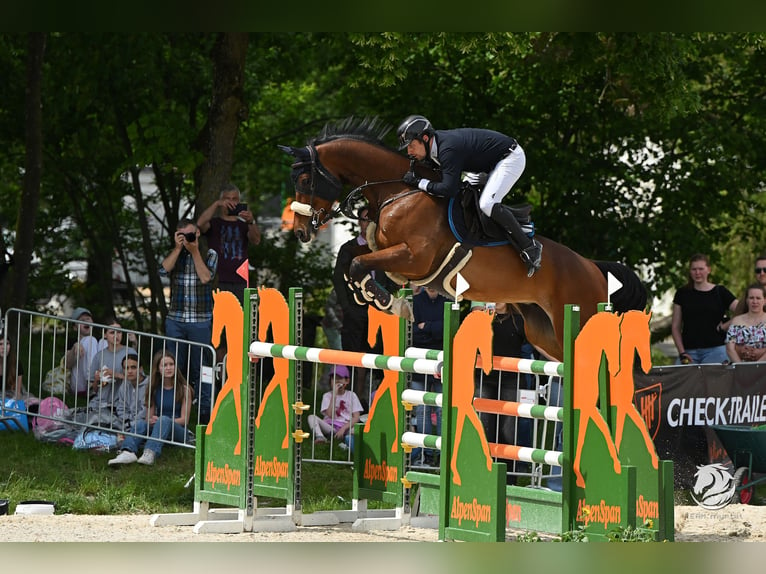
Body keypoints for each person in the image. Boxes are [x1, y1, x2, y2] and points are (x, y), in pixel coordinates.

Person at [396, 114, 542, 277]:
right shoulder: (435, 149)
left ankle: (530, 247)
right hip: (486, 165)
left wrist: (418, 182)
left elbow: (448, 189)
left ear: (424, 137)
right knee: (467, 196)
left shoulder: (447, 148)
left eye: (411, 145)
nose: (409, 151)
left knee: (487, 203)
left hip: (510, 158)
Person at [332, 206, 398, 402]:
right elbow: (338, 280)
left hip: (381, 313)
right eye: (363, 220)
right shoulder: (348, 249)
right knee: (354, 359)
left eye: (371, 220)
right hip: (355, 312)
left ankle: (376, 403)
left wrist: (389, 300)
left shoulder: (383, 249)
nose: (367, 223)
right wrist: (348, 308)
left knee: (379, 360)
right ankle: (352, 403)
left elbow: (392, 277)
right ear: (358, 223)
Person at [160, 218, 218, 424]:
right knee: (172, 367)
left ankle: (205, 414)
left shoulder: (209, 254)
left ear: (198, 234)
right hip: (175, 320)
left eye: (191, 234)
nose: (188, 239)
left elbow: (205, 277)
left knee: (202, 368)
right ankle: (172, 412)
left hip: (201, 321)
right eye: (183, 235)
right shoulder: (175, 254)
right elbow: (162, 270)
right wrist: (177, 249)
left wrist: (194, 251)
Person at [108, 351, 193, 466]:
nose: (169, 368)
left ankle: (150, 452)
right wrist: (153, 420)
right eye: (165, 365)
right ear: (158, 369)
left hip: (178, 431)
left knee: (164, 419)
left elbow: (184, 420)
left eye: (171, 364)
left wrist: (161, 420)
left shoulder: (184, 389)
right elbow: (148, 417)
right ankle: (128, 451)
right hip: (159, 426)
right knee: (140, 424)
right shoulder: (153, 388)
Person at [197, 183, 261, 305]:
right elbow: (199, 224)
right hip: (217, 280)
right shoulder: (214, 223)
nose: (231, 202)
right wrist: (216, 204)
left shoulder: (244, 225)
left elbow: (256, 240)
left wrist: (251, 221)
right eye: (227, 199)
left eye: (235, 199)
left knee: (239, 319)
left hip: (240, 280)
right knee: (218, 319)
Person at [671, 253, 738, 365]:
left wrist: (725, 326)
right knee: (683, 381)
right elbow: (675, 327)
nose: (697, 273)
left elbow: (743, 311)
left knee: (715, 382)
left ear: (709, 270)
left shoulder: (720, 292)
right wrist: (682, 352)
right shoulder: (682, 294)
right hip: (689, 352)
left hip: (717, 350)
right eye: (694, 269)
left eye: (701, 269)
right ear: (690, 271)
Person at [409, 286, 449, 466]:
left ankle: (441, 454)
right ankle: (425, 454)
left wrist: (427, 327)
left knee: (442, 409)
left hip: (443, 361)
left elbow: (449, 330)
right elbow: (414, 333)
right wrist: (436, 331)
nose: (431, 286)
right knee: (422, 409)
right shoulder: (415, 302)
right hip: (420, 361)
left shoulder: (448, 301)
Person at [307, 364, 363, 450]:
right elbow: (330, 415)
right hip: (331, 426)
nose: (337, 381)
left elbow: (356, 417)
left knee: (359, 429)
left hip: (346, 426)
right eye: (334, 379)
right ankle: (320, 436)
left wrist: (344, 428)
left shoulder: (352, 395)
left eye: (340, 378)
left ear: (347, 381)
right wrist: (334, 395)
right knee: (311, 417)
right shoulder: (327, 396)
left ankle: (347, 441)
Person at [64, 307, 103, 397]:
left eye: (88, 319)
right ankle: (92, 384)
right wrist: (75, 347)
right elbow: (67, 364)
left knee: (103, 342)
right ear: (75, 327)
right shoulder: (72, 342)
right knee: (90, 340)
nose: (86, 321)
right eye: (82, 320)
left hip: (99, 382)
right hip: (79, 384)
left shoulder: (97, 342)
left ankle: (103, 385)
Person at [726, 283, 766, 363]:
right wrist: (742, 368)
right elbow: (730, 348)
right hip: (741, 368)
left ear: (764, 300)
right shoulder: (736, 321)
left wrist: (757, 366)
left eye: (758, 298)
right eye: (751, 298)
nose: (755, 301)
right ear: (747, 300)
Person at [112, 352, 149, 432]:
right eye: (126, 368)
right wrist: (127, 419)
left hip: (144, 422)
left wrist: (131, 422)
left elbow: (145, 411)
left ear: (141, 369)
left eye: (133, 367)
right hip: (126, 422)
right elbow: (121, 407)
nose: (129, 371)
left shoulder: (149, 385)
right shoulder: (125, 384)